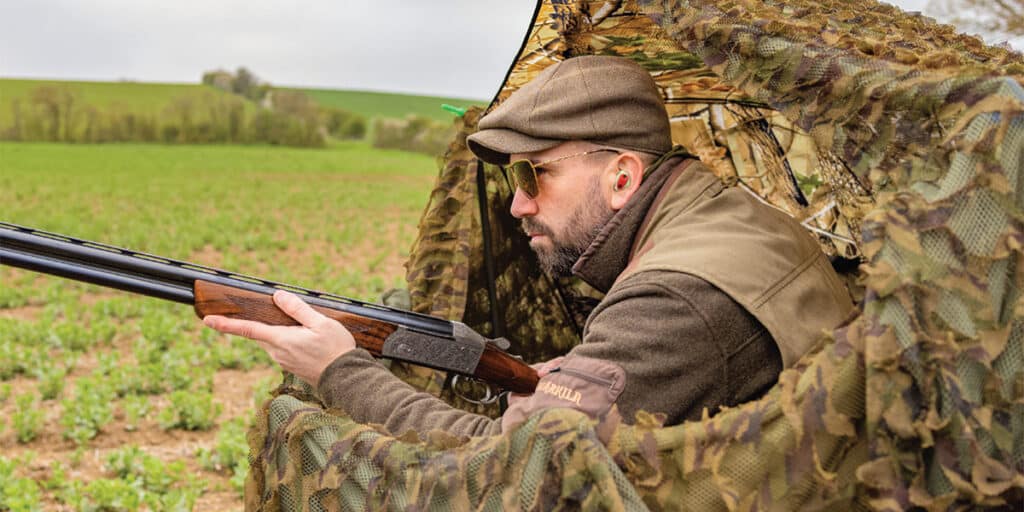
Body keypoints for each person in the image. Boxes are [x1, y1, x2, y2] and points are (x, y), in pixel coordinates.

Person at [203, 55, 854, 436]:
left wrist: (340, 371)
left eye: (533, 173)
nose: (517, 205)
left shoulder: (678, 298)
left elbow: (510, 472)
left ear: (622, 176)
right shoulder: (716, 217)